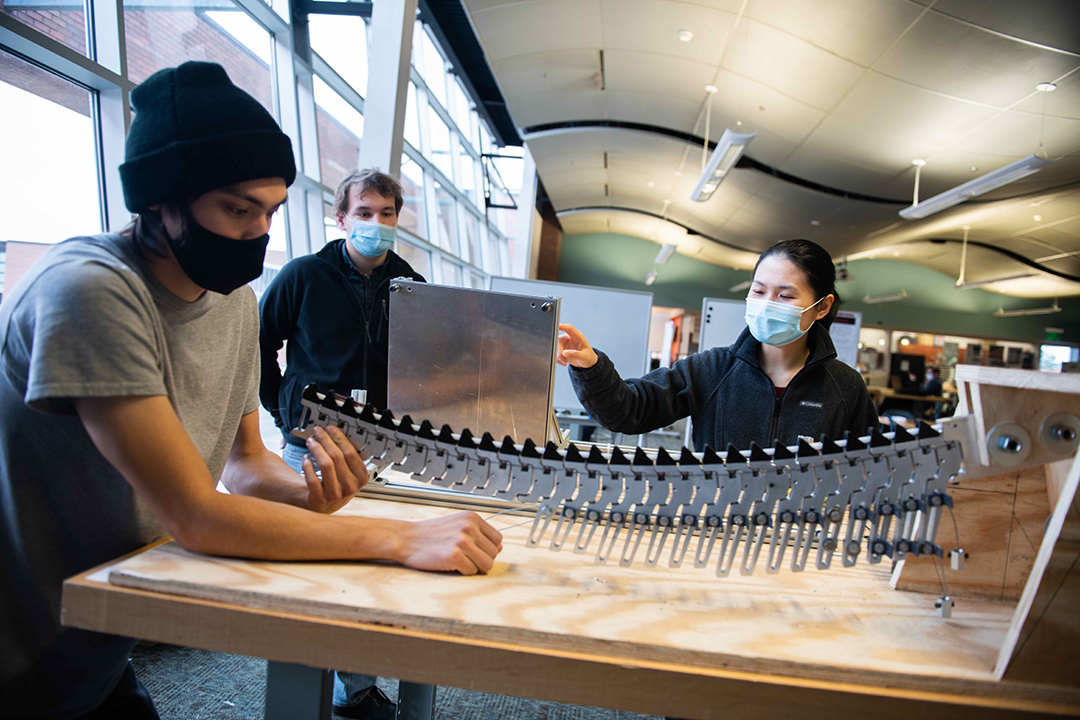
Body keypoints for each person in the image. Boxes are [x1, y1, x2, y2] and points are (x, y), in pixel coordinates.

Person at [0, 62, 501, 720]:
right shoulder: (90, 290)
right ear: (160, 199)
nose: (258, 234)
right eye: (238, 210)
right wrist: (402, 538)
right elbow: (195, 514)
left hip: (90, 654)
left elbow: (242, 466)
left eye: (270, 211)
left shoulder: (233, 301)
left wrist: (310, 493)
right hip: (20, 652)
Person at [257, 169, 425, 717]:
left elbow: (427, 367)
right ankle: (310, 686)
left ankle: (353, 689)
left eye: (387, 214)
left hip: (381, 451)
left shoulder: (412, 286)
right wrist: (279, 409)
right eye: (365, 213)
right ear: (341, 218)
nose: (376, 224)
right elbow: (262, 343)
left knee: (366, 567)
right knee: (307, 568)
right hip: (310, 444)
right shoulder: (303, 275)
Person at [558, 239, 878, 451]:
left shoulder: (845, 387)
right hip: (716, 528)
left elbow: (870, 469)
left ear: (822, 307)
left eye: (785, 295)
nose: (767, 304)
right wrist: (591, 367)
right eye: (759, 291)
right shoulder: (711, 370)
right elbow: (629, 411)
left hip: (801, 539)